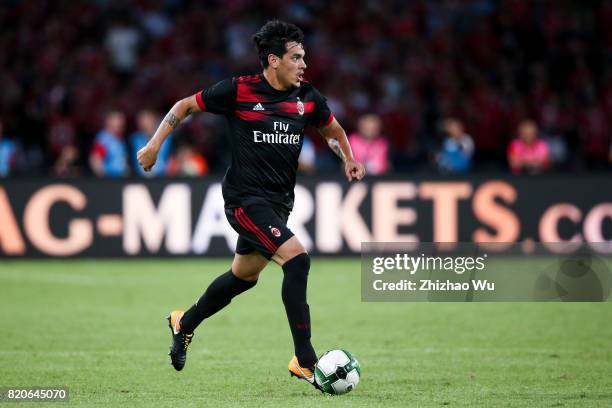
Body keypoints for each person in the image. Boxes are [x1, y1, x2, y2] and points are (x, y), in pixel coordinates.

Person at [136, 20, 365, 389]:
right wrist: (153, 146)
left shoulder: (307, 97)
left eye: (304, 56)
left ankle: (184, 323)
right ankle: (305, 360)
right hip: (244, 200)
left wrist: (348, 157)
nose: (304, 64)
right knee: (298, 259)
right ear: (273, 60)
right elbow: (184, 106)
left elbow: (333, 131)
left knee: (244, 277)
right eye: (296, 57)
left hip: (279, 203)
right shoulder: (239, 90)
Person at [129, 110, 172, 176]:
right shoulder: (134, 139)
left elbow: (171, 159)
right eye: (142, 120)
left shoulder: (167, 138)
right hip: (139, 177)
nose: (145, 123)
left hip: (163, 177)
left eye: (147, 119)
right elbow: (131, 161)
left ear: (153, 119)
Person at [90, 111, 129, 177]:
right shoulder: (103, 138)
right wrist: (103, 178)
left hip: (120, 178)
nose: (120, 123)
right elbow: (96, 160)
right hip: (109, 179)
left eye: (121, 119)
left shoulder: (120, 138)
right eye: (117, 119)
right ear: (109, 121)